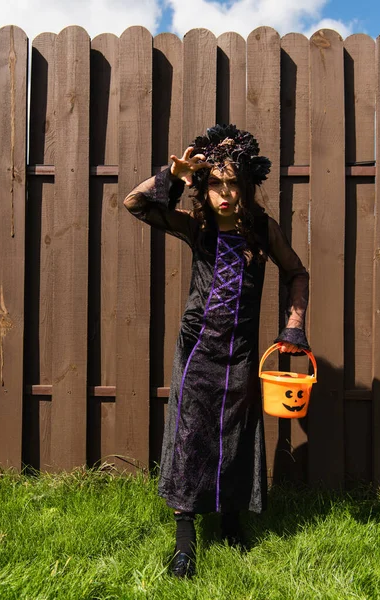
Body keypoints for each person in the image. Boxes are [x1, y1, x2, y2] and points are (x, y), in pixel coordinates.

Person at [123, 124, 310, 578]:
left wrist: (294, 327)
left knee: (237, 435)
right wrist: (174, 175)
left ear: (245, 187)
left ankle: (230, 523)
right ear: (203, 189)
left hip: (242, 353)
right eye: (215, 184)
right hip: (196, 350)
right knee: (190, 437)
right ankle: (185, 542)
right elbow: (136, 203)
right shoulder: (197, 228)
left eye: (233, 184)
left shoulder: (263, 231)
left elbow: (297, 273)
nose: (225, 194)